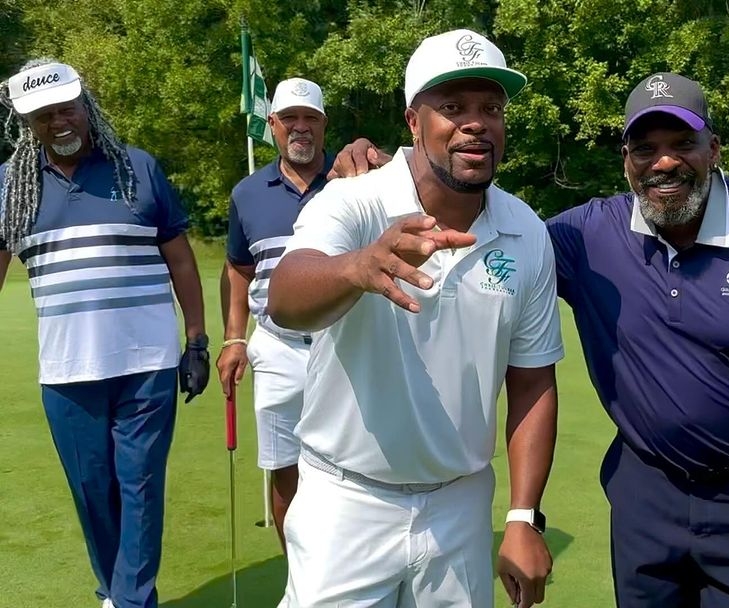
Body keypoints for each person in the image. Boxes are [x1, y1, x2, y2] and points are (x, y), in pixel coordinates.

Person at [331, 72, 729, 608]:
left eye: (683, 144)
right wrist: (394, 172)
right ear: (625, 158)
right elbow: (503, 241)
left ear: (714, 150)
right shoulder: (586, 234)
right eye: (646, 147)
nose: (664, 162)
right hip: (644, 498)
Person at [265, 29, 564, 608]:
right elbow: (285, 295)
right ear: (413, 122)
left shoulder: (527, 229)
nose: (475, 123)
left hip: (460, 502)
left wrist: (524, 516)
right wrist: (358, 266)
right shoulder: (354, 201)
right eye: (452, 108)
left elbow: (531, 379)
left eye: (491, 108)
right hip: (344, 500)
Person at [0, 59, 208, 608]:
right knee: (94, 493)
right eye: (43, 116)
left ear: (85, 107)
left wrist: (197, 341)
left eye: (66, 108)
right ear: (29, 123)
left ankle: (132, 600)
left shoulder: (137, 168)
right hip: (67, 372)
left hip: (147, 365)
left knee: (139, 487)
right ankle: (115, 591)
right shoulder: (11, 187)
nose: (58, 122)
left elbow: (182, 262)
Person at [216, 77, 332, 558]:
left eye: (310, 119)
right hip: (278, 346)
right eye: (290, 119)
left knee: (358, 464)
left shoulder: (356, 181)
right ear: (273, 125)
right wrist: (232, 339)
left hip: (344, 345)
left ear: (325, 126)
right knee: (284, 469)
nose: (300, 128)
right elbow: (240, 270)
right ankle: (301, 576)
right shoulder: (248, 193)